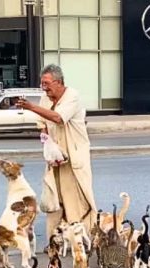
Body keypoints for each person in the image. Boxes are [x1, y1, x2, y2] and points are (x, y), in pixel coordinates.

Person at [16, 64, 97, 242]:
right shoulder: (46, 99)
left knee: (77, 201)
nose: (44, 88)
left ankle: (85, 240)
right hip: (55, 159)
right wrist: (47, 144)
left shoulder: (72, 97)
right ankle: (55, 241)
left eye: (47, 84)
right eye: (42, 84)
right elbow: (43, 124)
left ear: (59, 82)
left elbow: (58, 118)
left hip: (74, 158)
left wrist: (31, 107)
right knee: (54, 200)